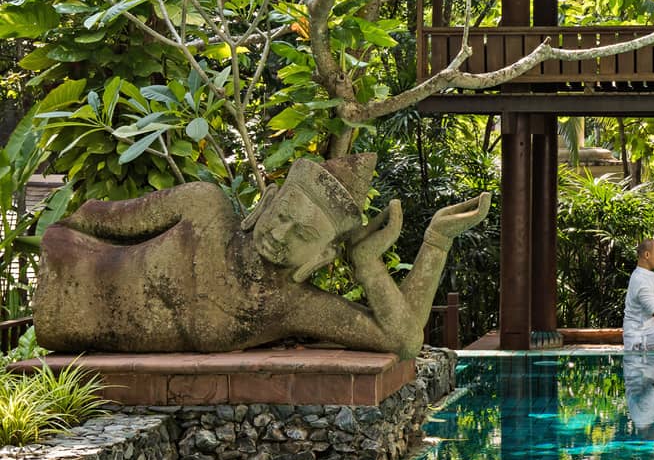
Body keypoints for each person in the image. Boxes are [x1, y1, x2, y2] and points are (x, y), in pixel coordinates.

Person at [32, 154, 490, 357]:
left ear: (325, 255)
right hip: (66, 270)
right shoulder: (203, 206)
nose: (281, 233)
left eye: (304, 232)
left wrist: (432, 243)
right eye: (284, 213)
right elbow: (93, 217)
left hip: (63, 333)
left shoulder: (288, 305)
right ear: (268, 202)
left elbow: (403, 340)